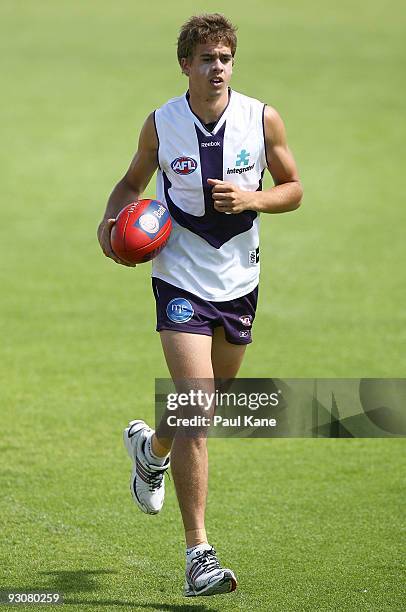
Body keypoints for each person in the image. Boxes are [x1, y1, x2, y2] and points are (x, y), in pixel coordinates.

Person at [97, 13, 302, 598]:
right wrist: (109, 225)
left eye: (225, 58)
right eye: (207, 58)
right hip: (179, 276)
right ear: (185, 64)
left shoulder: (261, 119)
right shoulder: (162, 125)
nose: (218, 68)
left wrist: (252, 196)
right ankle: (198, 556)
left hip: (238, 277)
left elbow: (293, 187)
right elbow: (131, 183)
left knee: (203, 408)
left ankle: (150, 448)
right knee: (197, 399)